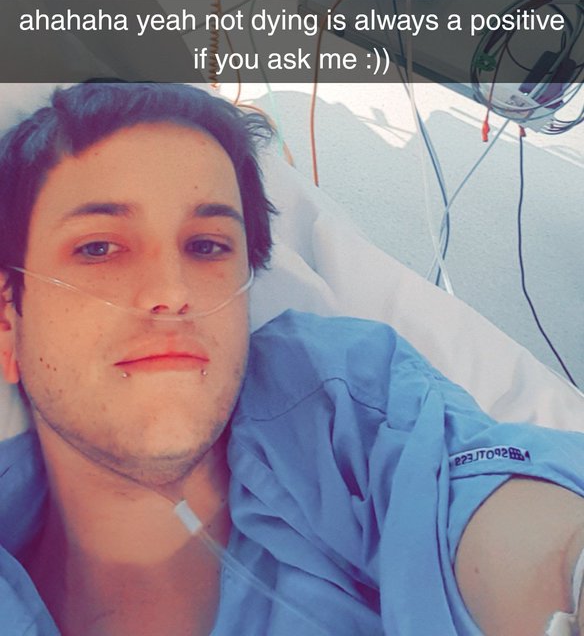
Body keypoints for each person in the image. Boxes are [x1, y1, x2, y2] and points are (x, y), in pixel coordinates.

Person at [0, 82, 581, 636]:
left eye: (207, 246)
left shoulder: (342, 408)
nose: (173, 291)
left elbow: (498, 513)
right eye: (99, 247)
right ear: (8, 323)